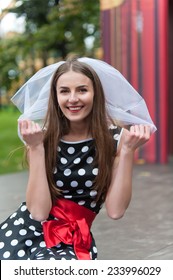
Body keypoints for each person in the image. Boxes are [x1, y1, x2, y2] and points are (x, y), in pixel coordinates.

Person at [0, 57, 156, 260]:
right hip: (23, 233)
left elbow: (116, 211)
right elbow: (38, 212)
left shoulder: (117, 140)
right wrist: (36, 148)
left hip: (75, 239)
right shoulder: (41, 140)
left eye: (82, 90)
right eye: (64, 91)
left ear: (95, 94)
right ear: (55, 96)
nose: (73, 99)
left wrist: (127, 152)